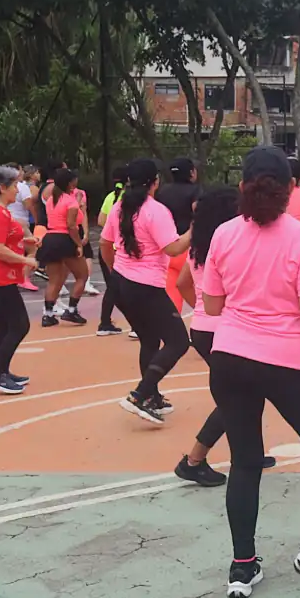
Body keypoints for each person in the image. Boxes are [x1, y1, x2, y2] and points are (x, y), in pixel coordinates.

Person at [203, 146, 300, 597]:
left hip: (230, 357)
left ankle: (242, 565)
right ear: (293, 190)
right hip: (287, 360)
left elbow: (212, 304)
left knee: (245, 461)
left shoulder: (223, 235)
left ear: (241, 188)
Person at [174, 187, 278, 487]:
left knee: (248, 394)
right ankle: (193, 460)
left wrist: (203, 311)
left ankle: (249, 452)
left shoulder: (199, 245)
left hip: (205, 329)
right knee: (237, 399)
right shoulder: (231, 244)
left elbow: (183, 283)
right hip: (228, 330)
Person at [101, 158, 192, 424]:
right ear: (155, 182)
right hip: (145, 287)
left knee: (150, 341)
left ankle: (151, 395)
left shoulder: (119, 206)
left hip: (121, 282)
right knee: (178, 342)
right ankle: (140, 395)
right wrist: (193, 232)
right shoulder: (155, 210)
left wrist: (115, 270)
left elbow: (106, 244)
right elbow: (173, 248)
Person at [0, 166, 39, 395]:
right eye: (14, 186)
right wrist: (26, 260)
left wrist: (27, 242)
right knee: (19, 324)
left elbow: (6, 241)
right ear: (2, 188)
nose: (17, 190)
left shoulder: (0, 211)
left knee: (5, 326)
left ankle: (1, 371)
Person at [38, 167, 90, 327]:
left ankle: (48, 314)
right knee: (82, 275)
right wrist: (78, 244)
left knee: (55, 279)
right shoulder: (70, 202)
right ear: (69, 183)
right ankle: (72, 310)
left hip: (50, 237)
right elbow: (71, 226)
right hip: (64, 239)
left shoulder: (51, 200)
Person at [155, 157, 200, 313]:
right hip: (189, 247)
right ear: (191, 173)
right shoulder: (196, 191)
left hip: (168, 247)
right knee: (201, 292)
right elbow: (198, 212)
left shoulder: (162, 192)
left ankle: (171, 331)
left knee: (172, 294)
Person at [95, 165, 128, 336]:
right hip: (121, 249)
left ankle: (105, 322)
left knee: (112, 288)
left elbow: (101, 220)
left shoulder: (111, 197)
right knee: (126, 288)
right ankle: (137, 324)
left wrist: (112, 229)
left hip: (107, 247)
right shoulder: (131, 198)